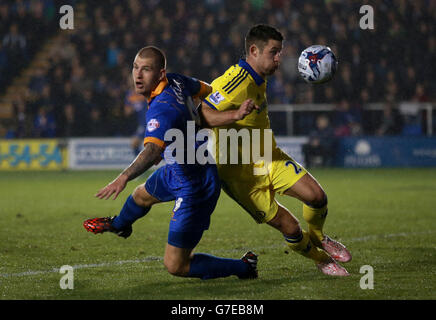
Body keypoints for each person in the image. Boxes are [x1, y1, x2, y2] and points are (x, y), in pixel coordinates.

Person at [83, 46, 258, 280]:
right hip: (179, 169)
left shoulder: (162, 109)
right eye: (135, 68)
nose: (138, 75)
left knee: (176, 265)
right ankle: (119, 225)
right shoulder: (177, 81)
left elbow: (152, 150)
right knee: (140, 196)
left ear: (160, 73)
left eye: (146, 69)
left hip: (195, 186)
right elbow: (207, 90)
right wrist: (225, 115)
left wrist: (123, 177)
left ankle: (245, 267)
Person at [200, 24, 351, 276]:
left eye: (280, 52)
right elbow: (202, 114)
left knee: (316, 196)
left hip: (267, 157)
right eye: (274, 52)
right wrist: (235, 114)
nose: (279, 58)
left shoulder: (259, 78)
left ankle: (319, 237)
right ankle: (320, 258)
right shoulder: (234, 81)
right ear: (253, 51)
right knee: (291, 228)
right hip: (240, 178)